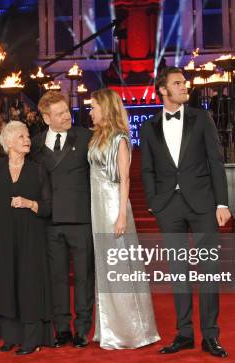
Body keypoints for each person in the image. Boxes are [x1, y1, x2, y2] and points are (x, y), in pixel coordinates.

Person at [140, 66, 231, 358]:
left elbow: (216, 161)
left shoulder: (200, 117)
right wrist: (155, 202)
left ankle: (210, 336)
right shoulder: (149, 126)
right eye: (178, 83)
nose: (184, 86)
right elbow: (147, 169)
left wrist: (222, 203)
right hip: (169, 207)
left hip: (203, 204)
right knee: (178, 272)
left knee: (208, 271)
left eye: (184, 82)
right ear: (163, 90)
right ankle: (184, 334)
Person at [87, 88, 161, 349]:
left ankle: (132, 331)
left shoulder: (120, 139)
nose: (90, 111)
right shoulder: (95, 138)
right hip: (97, 207)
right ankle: (109, 328)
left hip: (113, 207)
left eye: (94, 107)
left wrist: (121, 216)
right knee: (105, 268)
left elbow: (125, 179)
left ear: (105, 108)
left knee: (119, 267)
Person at [0, 121, 54, 355]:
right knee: (5, 285)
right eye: (21, 136)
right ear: (9, 141)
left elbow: (48, 206)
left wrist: (29, 203)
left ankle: (32, 339)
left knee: (29, 286)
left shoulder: (38, 169)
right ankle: (10, 336)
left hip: (31, 237)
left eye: (28, 135)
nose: (27, 139)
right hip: (2, 236)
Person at [31, 91, 94, 348]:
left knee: (83, 277)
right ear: (47, 118)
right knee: (56, 278)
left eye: (67, 110)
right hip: (49, 222)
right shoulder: (34, 144)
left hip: (80, 219)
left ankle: (81, 329)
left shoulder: (86, 137)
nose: (67, 116)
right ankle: (62, 329)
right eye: (59, 113)